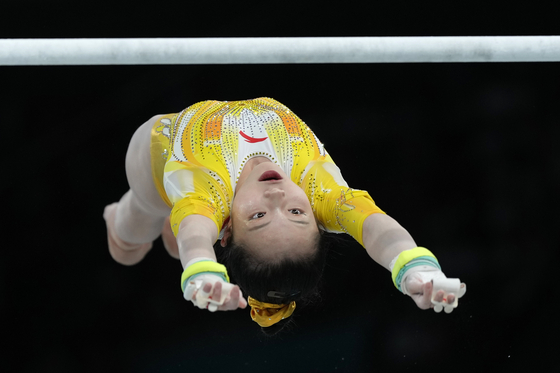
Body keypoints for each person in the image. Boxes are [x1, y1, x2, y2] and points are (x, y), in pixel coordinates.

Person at [103, 97, 466, 335]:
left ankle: (124, 224)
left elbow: (195, 237)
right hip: (196, 200)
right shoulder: (322, 193)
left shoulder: (206, 190)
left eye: (259, 215)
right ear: (321, 219)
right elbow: (377, 228)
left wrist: (199, 271)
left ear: (226, 229)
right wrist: (416, 270)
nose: (276, 196)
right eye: (296, 212)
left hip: (155, 155)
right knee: (180, 231)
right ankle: (172, 237)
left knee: (136, 229)